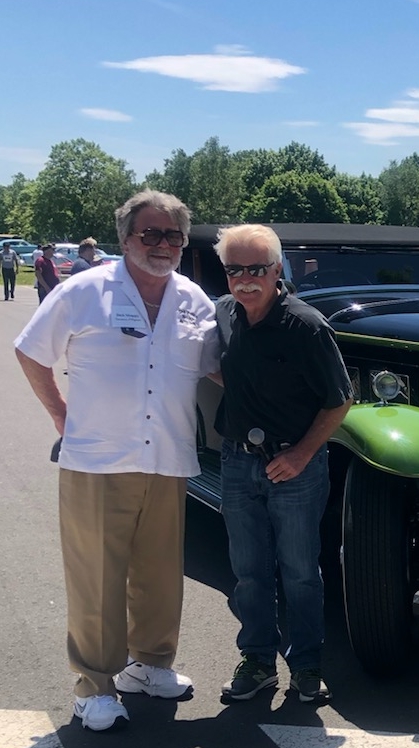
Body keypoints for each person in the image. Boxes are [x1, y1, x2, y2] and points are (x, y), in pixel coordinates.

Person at [14, 190, 217, 731]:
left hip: (168, 458)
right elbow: (30, 351)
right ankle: (94, 687)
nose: (163, 244)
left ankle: (149, 664)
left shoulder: (194, 300)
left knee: (160, 573)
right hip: (97, 460)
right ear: (125, 238)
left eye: (173, 235)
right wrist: (61, 416)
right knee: (97, 580)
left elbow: (220, 369)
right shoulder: (83, 291)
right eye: (150, 233)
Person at [213, 224, 353, 704]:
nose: (245, 279)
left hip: (295, 466)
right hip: (237, 463)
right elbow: (222, 367)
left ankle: (308, 666)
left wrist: (300, 454)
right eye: (235, 269)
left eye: (256, 269)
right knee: (248, 570)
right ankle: (257, 661)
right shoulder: (224, 314)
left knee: (298, 571)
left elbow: (340, 400)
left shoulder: (307, 325)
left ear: (277, 270)